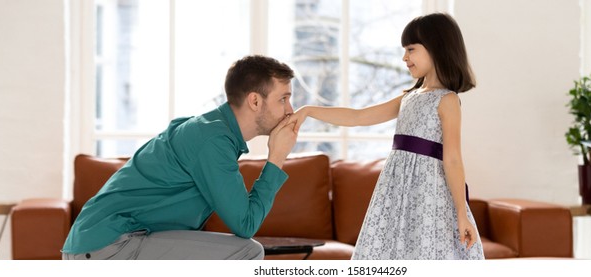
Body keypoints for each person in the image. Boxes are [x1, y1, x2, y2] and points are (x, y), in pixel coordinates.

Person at [62, 55, 299, 260]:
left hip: (107, 243)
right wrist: (277, 157)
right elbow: (245, 225)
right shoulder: (212, 140)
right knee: (247, 252)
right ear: (255, 100)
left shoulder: (212, 131)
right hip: (108, 246)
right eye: (283, 99)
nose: (290, 110)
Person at [293, 13, 483, 260]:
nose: (405, 58)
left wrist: (461, 213)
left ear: (436, 47)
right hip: (395, 190)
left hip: (429, 194)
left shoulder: (447, 100)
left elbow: (453, 160)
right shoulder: (409, 97)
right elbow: (358, 117)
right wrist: (309, 111)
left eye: (411, 49)